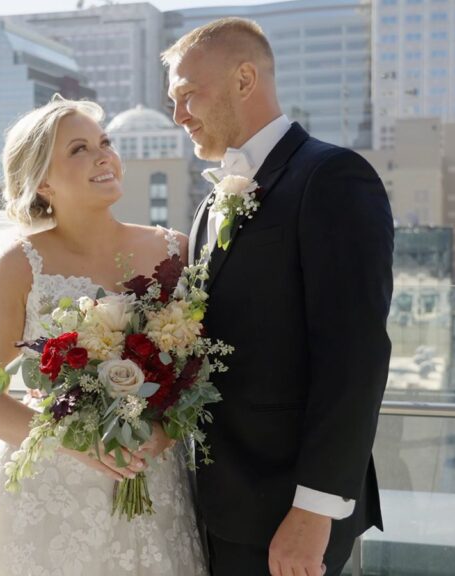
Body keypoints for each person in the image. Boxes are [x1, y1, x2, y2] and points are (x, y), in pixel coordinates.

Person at [163, 18, 394, 576]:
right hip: (214, 503)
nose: (179, 115)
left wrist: (314, 512)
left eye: (188, 94)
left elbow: (354, 359)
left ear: (245, 79)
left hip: (288, 513)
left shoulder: (332, 177)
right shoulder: (206, 204)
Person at [0, 97, 206, 575]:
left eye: (105, 143)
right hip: (48, 494)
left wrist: (163, 434)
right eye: (80, 149)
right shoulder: (16, 268)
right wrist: (80, 444)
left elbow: (200, 370)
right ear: (42, 181)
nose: (104, 156)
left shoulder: (175, 250)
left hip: (154, 482)